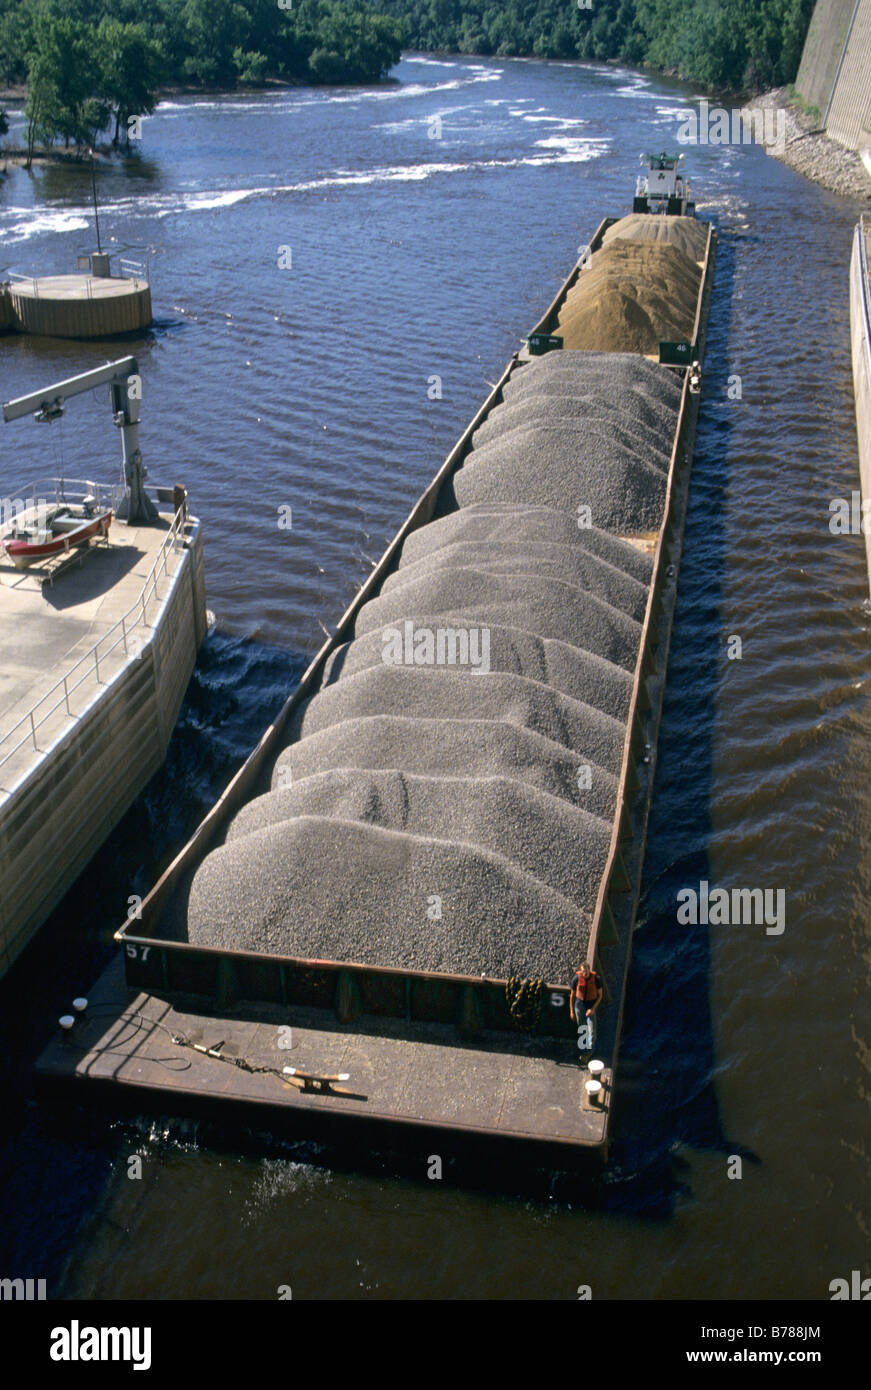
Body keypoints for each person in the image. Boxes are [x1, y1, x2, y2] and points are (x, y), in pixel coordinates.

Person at [570, 962, 602, 1055]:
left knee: (592, 1031)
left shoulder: (596, 979)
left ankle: (590, 1052)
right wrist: (572, 1011)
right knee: (582, 1028)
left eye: (587, 971)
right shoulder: (576, 979)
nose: (585, 973)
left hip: (590, 1006)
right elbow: (572, 996)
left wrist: (593, 1009)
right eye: (583, 971)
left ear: (589, 970)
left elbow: (600, 996)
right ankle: (582, 1050)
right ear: (581, 971)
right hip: (580, 1005)